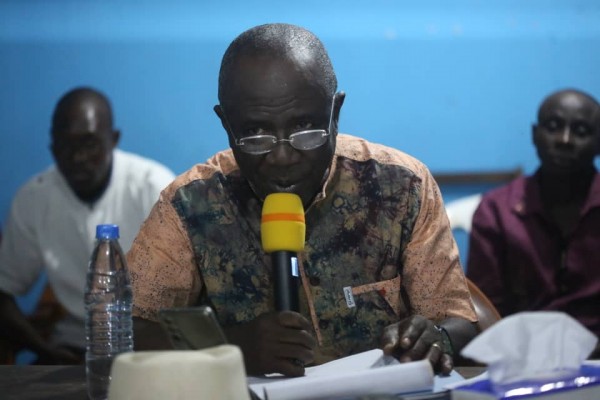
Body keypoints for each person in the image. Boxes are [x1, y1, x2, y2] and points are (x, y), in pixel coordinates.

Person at [128, 23, 478, 377]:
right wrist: (231, 347)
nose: (283, 157)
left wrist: (436, 337)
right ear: (227, 124)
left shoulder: (402, 187)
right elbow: (126, 331)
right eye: (255, 134)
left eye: (305, 129)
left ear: (335, 114)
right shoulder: (190, 204)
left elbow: (460, 322)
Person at [0, 87, 176, 364]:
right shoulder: (33, 199)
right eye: (66, 146)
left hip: (150, 343)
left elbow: (187, 290)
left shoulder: (153, 188)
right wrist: (44, 351)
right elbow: (4, 290)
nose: (77, 157)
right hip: (73, 344)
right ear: (52, 147)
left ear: (113, 140)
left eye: (90, 144)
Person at [467, 89, 600, 357]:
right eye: (553, 126)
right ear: (534, 134)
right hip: (521, 359)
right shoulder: (496, 211)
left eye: (581, 131)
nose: (564, 140)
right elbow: (487, 308)